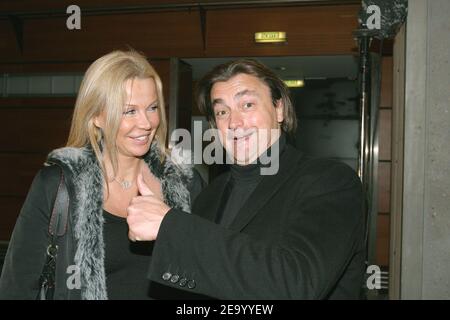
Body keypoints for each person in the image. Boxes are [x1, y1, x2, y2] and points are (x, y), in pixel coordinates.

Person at [126, 58, 367, 299]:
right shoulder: (209, 195)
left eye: (248, 105)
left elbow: (296, 284)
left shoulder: (330, 182)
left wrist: (171, 226)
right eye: (222, 111)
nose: (234, 122)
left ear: (279, 109)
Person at [0, 50, 203, 300]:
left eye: (152, 108)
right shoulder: (59, 184)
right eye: (129, 111)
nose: (146, 123)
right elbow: (17, 285)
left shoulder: (186, 183)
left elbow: (209, 273)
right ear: (96, 116)